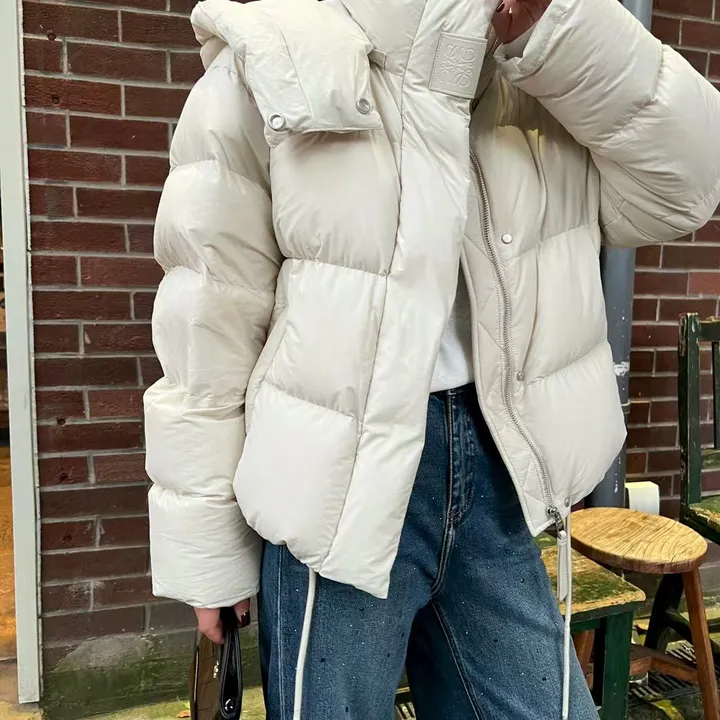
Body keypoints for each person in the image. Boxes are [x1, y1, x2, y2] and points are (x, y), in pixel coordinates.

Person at [143, 0, 720, 717]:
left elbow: (688, 188)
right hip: (334, 490)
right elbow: (209, 315)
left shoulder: (537, 62)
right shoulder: (275, 48)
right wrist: (207, 550)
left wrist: (559, 30)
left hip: (500, 465)